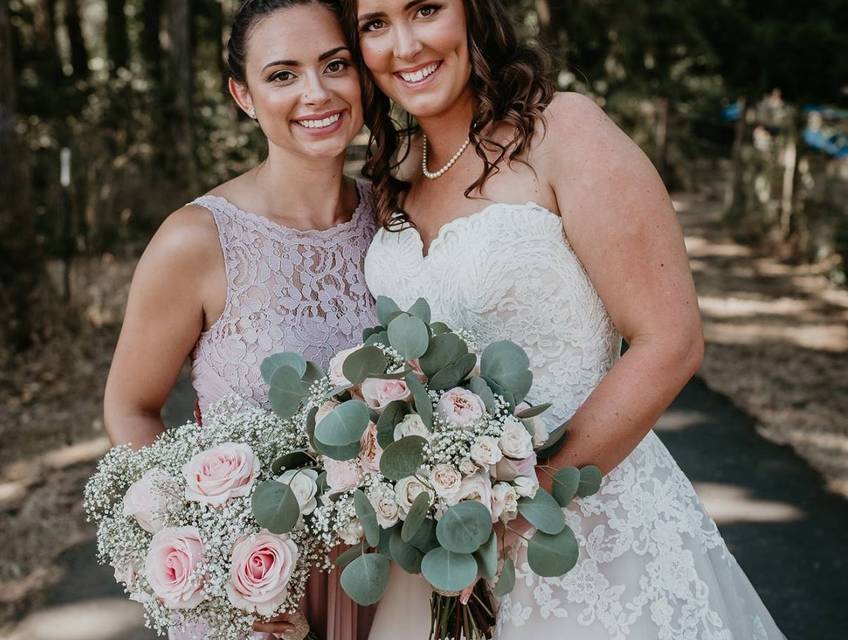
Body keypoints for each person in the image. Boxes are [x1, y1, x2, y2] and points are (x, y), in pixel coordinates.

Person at [340, 0, 787, 637]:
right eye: (374, 24)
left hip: (594, 531)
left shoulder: (562, 132)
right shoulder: (392, 174)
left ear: (472, 13)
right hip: (443, 545)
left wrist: (519, 507)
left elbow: (671, 340)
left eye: (426, 9)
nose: (405, 45)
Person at [103, 1, 376, 638]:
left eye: (335, 64)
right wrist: (209, 554)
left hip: (390, 577)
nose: (316, 92)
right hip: (260, 600)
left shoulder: (393, 218)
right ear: (243, 94)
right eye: (282, 74)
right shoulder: (195, 240)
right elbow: (132, 406)